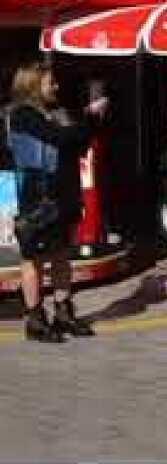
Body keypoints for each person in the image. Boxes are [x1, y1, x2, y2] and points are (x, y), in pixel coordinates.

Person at [7, 61, 106, 343]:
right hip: (38, 199)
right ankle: (35, 318)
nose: (56, 86)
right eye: (50, 82)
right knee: (34, 258)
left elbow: (77, 143)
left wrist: (90, 122)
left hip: (63, 194)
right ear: (32, 84)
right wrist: (89, 119)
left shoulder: (55, 112)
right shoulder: (23, 115)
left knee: (62, 254)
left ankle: (63, 311)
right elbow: (60, 138)